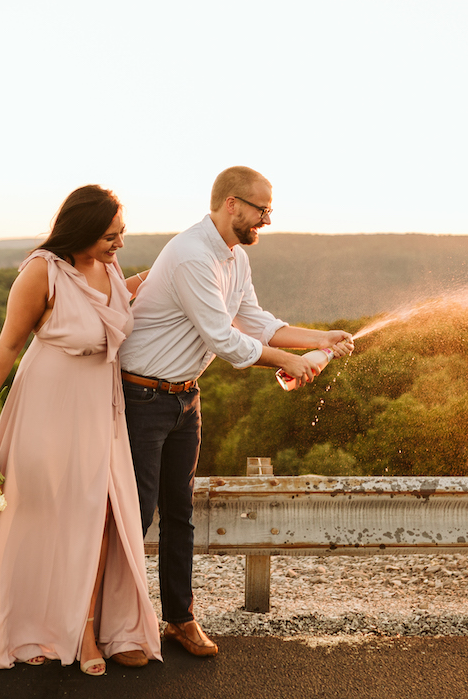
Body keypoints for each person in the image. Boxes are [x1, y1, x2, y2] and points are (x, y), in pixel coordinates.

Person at [119, 166, 354, 657]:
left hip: (185, 399)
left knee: (180, 515)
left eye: (269, 210)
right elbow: (223, 339)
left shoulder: (233, 257)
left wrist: (317, 338)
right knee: (135, 516)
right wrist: (290, 360)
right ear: (232, 204)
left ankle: (179, 620)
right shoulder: (190, 255)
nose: (266, 220)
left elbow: (254, 320)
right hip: (142, 400)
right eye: (261, 210)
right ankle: (119, 630)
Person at [0, 185, 161, 676]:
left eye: (122, 234)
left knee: (98, 518)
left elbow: (112, 299)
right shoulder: (40, 272)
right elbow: (7, 347)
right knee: (42, 516)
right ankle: (37, 626)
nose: (119, 244)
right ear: (85, 230)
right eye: (111, 235)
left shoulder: (110, 269)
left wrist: (170, 272)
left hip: (99, 409)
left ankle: (88, 629)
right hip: (46, 408)